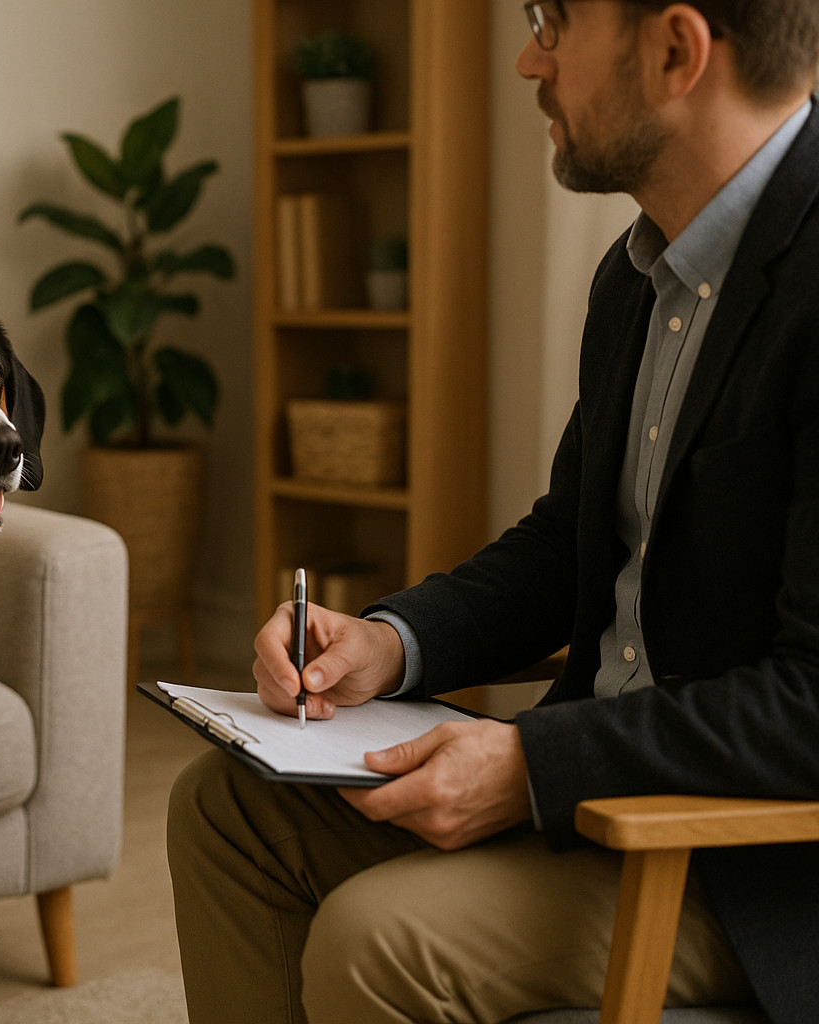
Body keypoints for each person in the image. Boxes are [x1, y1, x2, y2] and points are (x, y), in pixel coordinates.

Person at [168, 2, 819, 1022]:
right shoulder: (639, 276)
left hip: (753, 870)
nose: (527, 59)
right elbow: (572, 542)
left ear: (676, 51)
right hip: (596, 784)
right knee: (228, 805)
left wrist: (530, 763)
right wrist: (392, 640)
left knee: (379, 941)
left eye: (555, 24)